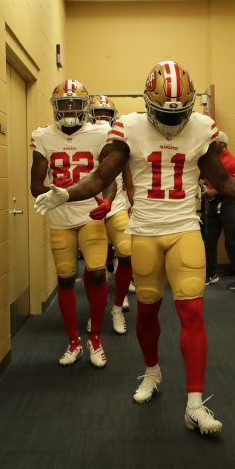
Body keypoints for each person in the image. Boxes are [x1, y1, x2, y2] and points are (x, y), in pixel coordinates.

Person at [35, 61, 235, 435]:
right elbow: (102, 177)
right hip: (145, 231)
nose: (172, 119)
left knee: (193, 312)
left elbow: (224, 182)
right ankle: (151, 372)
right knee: (147, 314)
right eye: (165, 112)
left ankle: (194, 403)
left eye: (179, 112)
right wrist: (65, 193)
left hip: (184, 228)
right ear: (148, 104)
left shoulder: (200, 128)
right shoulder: (129, 128)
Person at [30, 80, 115, 368]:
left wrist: (107, 201)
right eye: (63, 105)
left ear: (84, 107)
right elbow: (34, 186)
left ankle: (95, 338)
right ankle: (73, 340)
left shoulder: (100, 132)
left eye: (74, 104)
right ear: (54, 108)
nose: (68, 109)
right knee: (65, 277)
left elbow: (108, 178)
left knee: (97, 274)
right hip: (60, 217)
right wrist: (54, 192)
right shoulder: (43, 136)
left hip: (89, 214)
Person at [88, 95, 134, 335]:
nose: (103, 118)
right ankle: (96, 310)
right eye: (99, 113)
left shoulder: (117, 139)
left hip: (115, 204)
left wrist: (132, 202)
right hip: (90, 206)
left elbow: (126, 175)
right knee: (95, 265)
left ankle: (117, 305)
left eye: (107, 114)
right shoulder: (84, 138)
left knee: (126, 252)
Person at [202, 131, 235, 287]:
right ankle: (211, 274)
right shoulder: (214, 159)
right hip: (214, 203)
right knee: (209, 240)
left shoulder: (231, 161)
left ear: (222, 145)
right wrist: (203, 183)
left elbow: (230, 184)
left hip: (227, 202)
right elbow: (208, 177)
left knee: (231, 242)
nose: (211, 145)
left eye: (214, 143)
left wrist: (213, 191)